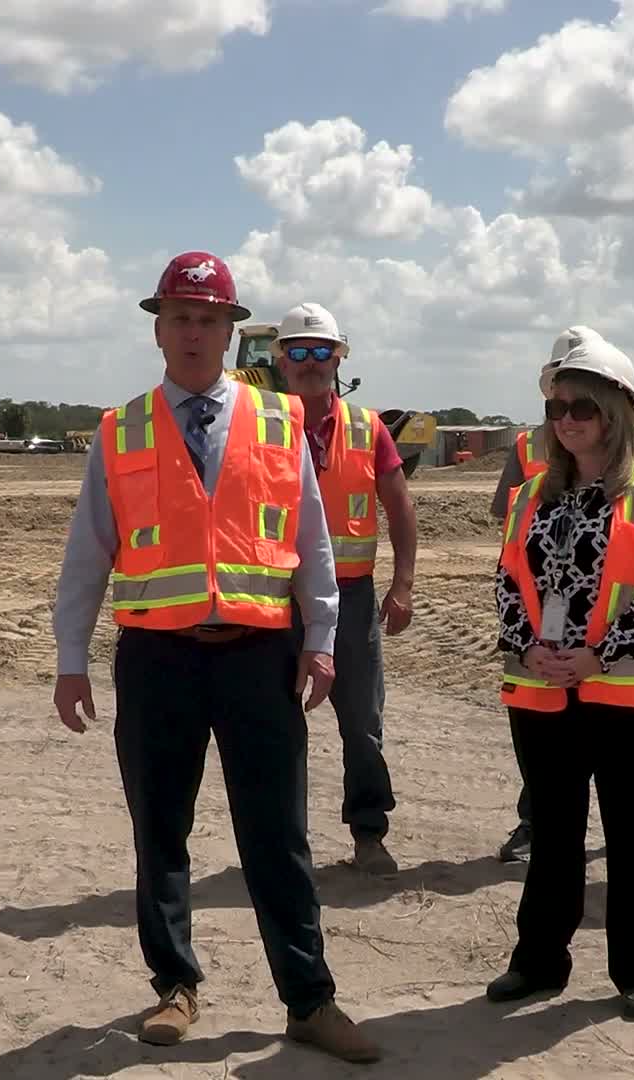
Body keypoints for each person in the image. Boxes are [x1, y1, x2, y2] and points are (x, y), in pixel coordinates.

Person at [50, 252, 381, 1063]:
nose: (194, 332)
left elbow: (311, 540)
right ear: (158, 330)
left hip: (258, 655)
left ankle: (309, 1000)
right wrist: (71, 657)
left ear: (232, 333)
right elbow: (88, 552)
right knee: (160, 830)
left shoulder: (277, 422)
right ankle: (174, 986)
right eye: (180, 318)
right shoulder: (120, 430)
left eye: (208, 319)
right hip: (156, 658)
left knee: (278, 834)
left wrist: (321, 640)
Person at [488, 337, 634, 1020]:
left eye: (581, 407)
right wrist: (527, 646)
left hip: (631, 695)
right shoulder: (529, 497)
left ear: (614, 413)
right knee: (553, 833)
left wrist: (596, 656)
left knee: (633, 838)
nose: (566, 420)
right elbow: (508, 583)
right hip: (543, 691)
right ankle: (538, 964)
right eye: (556, 408)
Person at [273, 301, 418, 876]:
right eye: (299, 351)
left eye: (322, 351)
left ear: (339, 359)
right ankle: (283, 843)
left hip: (351, 599)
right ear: (282, 361)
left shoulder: (367, 428)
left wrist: (402, 585)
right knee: (277, 724)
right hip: (276, 598)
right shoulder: (260, 426)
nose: (311, 362)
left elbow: (400, 509)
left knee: (361, 722)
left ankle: (369, 832)